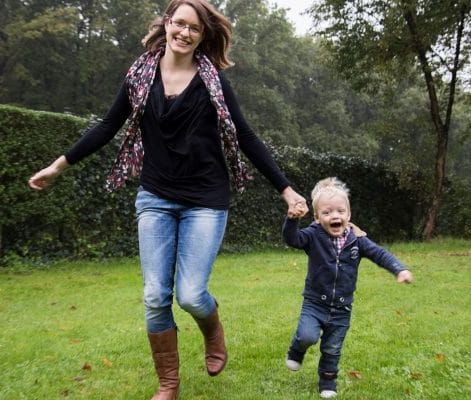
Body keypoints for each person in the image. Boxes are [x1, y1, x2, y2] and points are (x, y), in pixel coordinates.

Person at [28, 1, 307, 399]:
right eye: (179, 23)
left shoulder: (213, 82)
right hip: (156, 196)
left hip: (206, 200)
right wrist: (58, 166)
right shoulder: (140, 75)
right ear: (167, 24)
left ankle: (212, 329)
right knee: (156, 294)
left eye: (194, 28)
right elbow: (109, 124)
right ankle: (169, 383)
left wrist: (286, 188)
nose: (185, 32)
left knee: (191, 294)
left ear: (203, 36)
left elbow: (245, 137)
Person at [282, 177, 413, 399]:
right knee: (307, 335)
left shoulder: (357, 240)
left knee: (332, 348)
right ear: (316, 217)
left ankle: (327, 382)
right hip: (314, 302)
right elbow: (292, 239)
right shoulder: (313, 236)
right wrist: (292, 220)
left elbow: (379, 254)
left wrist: (398, 269)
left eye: (340, 211)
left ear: (348, 215)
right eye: (327, 212)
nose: (335, 216)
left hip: (342, 308)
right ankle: (297, 350)